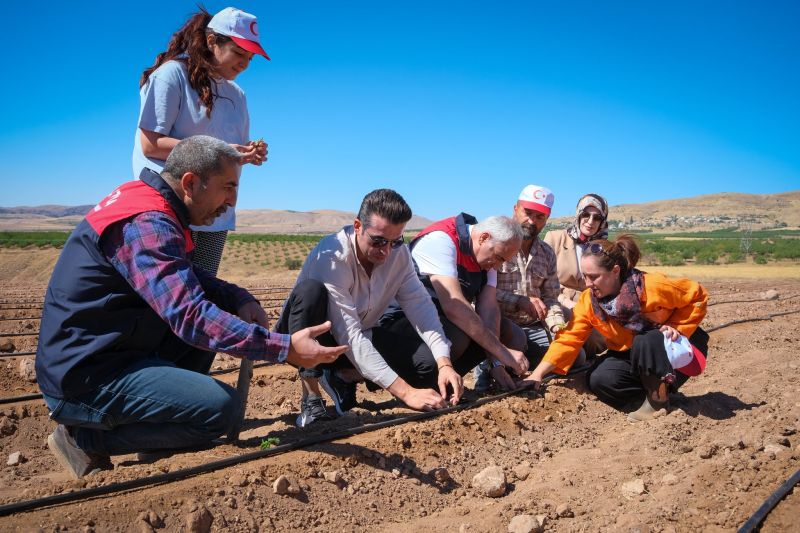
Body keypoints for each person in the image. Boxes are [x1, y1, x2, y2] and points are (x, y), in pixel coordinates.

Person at [36, 136, 345, 479]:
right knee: (222, 412)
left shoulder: (150, 205)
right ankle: (84, 436)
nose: (232, 202)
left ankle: (163, 421)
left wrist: (236, 297)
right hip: (85, 375)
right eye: (228, 187)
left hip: (108, 348)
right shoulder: (148, 222)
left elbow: (185, 275)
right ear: (190, 183)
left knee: (211, 317)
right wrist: (284, 348)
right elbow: (190, 316)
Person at [274, 189, 463, 428]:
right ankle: (311, 396)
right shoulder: (333, 257)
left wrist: (444, 363)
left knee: (427, 364)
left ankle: (342, 377)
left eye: (396, 241)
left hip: (363, 333)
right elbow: (348, 334)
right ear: (357, 226)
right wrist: (405, 393)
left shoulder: (398, 255)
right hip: (312, 337)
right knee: (310, 292)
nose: (386, 250)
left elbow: (420, 306)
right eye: (378, 240)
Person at [133, 6, 269, 275]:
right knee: (169, 293)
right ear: (211, 41)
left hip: (215, 211)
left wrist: (248, 153)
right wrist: (219, 151)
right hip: (171, 207)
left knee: (205, 288)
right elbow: (150, 144)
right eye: (239, 52)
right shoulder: (172, 75)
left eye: (250, 58)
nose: (244, 63)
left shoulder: (237, 96)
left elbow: (229, 152)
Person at [523, 235, 709, 422]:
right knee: (599, 378)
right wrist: (537, 374)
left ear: (615, 271)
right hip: (633, 352)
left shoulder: (652, 286)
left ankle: (657, 400)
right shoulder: (589, 301)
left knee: (645, 340)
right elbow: (568, 339)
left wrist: (676, 326)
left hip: (678, 349)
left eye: (594, 277)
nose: (587, 284)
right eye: (585, 276)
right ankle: (654, 400)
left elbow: (698, 296)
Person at [390, 214, 529, 392]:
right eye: (499, 258)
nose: (497, 266)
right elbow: (454, 307)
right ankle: (425, 383)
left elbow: (489, 309)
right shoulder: (442, 239)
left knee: (512, 334)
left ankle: (462, 380)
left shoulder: (488, 258)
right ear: (484, 238)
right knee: (457, 337)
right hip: (403, 321)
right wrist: (503, 352)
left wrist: (497, 362)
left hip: (443, 321)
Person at [484, 185, 575, 391]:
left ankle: (526, 369)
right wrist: (519, 301)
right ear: (515, 209)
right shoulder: (496, 245)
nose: (531, 221)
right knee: (516, 338)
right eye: (528, 213)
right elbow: (482, 294)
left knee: (576, 357)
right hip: (498, 327)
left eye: (540, 217)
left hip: (534, 327)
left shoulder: (547, 253)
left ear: (547, 219)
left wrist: (556, 326)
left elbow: (551, 298)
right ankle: (492, 370)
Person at [543, 193, 610, 357]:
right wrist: (566, 302)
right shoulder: (555, 238)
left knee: (600, 339)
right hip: (557, 301)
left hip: (591, 304)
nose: (590, 221)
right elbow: (541, 280)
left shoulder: (605, 247)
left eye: (597, 218)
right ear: (578, 215)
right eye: (586, 214)